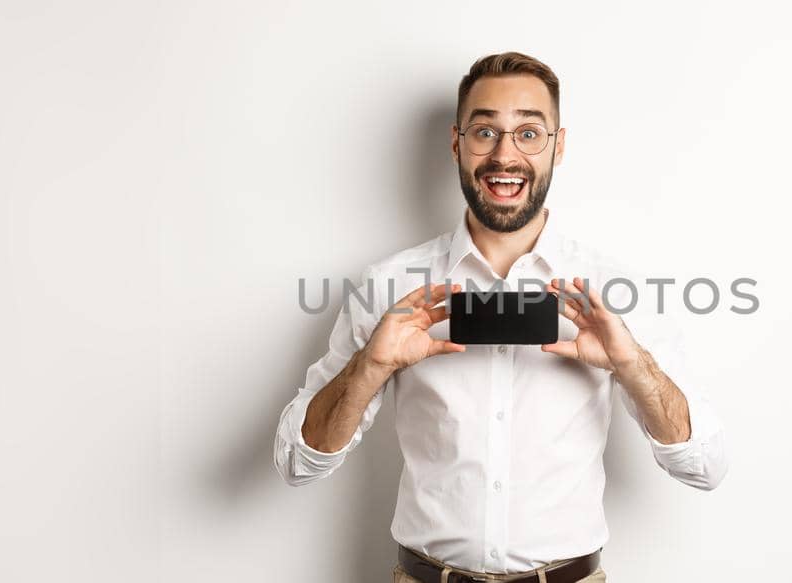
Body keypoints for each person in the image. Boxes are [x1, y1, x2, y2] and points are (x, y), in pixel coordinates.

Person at [273, 51, 728, 583]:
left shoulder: (611, 288)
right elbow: (297, 464)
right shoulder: (390, 286)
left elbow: (705, 467)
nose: (505, 155)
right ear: (456, 144)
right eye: (485, 132)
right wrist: (371, 365)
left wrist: (632, 364)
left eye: (529, 133)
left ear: (558, 147)